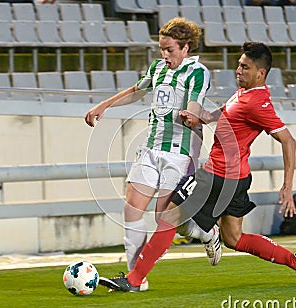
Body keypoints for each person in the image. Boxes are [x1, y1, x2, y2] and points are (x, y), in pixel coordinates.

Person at [99, 42, 296, 292]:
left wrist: (287, 186)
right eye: (239, 65)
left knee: (169, 217)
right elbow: (227, 112)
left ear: (261, 73)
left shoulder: (257, 103)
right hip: (237, 178)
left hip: (218, 175)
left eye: (245, 67)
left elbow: (288, 140)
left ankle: (134, 280)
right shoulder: (244, 93)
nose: (238, 70)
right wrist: (202, 116)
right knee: (235, 239)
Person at [84, 17, 222, 290]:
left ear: (186, 48)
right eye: (162, 48)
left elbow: (195, 104)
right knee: (132, 206)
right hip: (151, 148)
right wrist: (105, 105)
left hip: (180, 154)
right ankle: (135, 276)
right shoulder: (158, 68)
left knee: (166, 219)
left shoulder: (197, 72)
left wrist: (192, 116)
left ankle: (206, 231)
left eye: (170, 49)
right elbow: (136, 92)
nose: (164, 54)